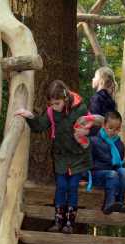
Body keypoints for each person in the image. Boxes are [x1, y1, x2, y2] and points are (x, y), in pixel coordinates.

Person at [15, 80, 91, 234]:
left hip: (78, 157)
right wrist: (30, 116)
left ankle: (69, 222)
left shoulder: (81, 109)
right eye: (51, 103)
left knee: (73, 188)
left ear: (66, 98)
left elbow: (94, 125)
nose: (54, 107)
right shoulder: (51, 111)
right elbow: (39, 126)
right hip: (61, 157)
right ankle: (58, 221)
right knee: (61, 187)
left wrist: (87, 131)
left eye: (57, 103)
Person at [90, 110, 125, 214]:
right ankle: (109, 204)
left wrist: (121, 169)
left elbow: (119, 163)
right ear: (103, 125)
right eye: (110, 128)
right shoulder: (94, 141)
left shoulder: (119, 144)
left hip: (113, 175)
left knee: (124, 172)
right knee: (112, 174)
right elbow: (88, 161)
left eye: (117, 129)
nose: (113, 131)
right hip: (97, 175)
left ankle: (119, 202)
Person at [88, 66, 117, 136]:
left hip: (97, 136)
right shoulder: (110, 100)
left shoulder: (96, 98)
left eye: (95, 77)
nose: (92, 79)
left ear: (101, 81)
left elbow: (94, 119)